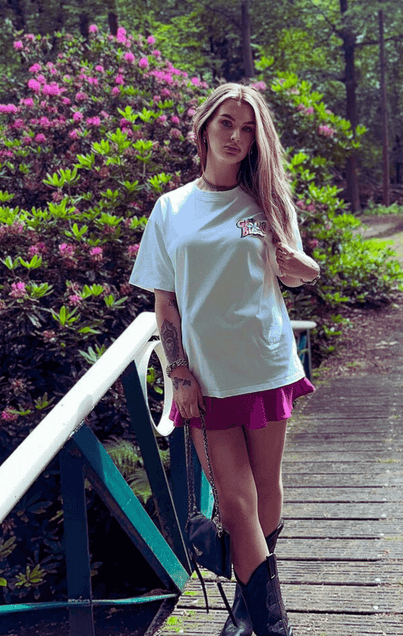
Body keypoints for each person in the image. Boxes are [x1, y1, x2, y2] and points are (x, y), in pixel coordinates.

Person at [130, 83, 320, 636]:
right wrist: (179, 373)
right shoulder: (171, 208)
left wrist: (291, 258)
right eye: (226, 124)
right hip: (206, 378)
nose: (236, 137)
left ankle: (246, 607)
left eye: (247, 128)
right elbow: (164, 301)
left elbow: (301, 273)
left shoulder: (269, 201)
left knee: (265, 487)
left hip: (266, 363)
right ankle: (274, 624)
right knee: (234, 502)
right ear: (204, 128)